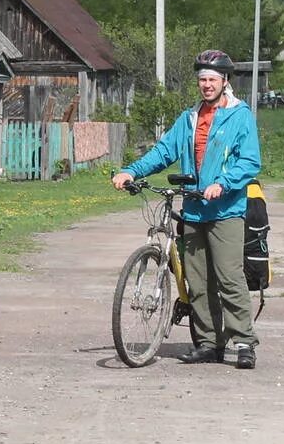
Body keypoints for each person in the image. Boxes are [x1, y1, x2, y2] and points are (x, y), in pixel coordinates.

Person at [111, 50, 263, 368]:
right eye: (202, 80)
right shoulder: (189, 118)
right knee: (198, 280)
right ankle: (209, 342)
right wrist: (132, 171)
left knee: (228, 277)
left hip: (226, 210)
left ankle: (244, 341)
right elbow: (163, 152)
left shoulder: (240, 116)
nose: (206, 85)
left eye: (212, 79)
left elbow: (250, 161)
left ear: (225, 82)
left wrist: (223, 183)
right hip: (194, 209)